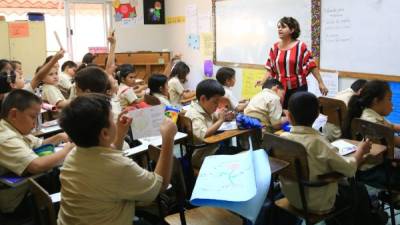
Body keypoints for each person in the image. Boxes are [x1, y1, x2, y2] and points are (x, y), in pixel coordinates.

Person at [57, 93, 177, 225]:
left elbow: (106, 157)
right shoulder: (120, 167)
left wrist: (119, 134)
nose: (115, 121)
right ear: (104, 133)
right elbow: (159, 185)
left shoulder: (73, 154)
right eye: (112, 118)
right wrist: (168, 138)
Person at [281, 91, 378, 225]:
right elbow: (349, 169)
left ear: (289, 116)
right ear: (317, 115)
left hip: (292, 196)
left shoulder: (283, 139)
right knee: (358, 188)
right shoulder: (318, 142)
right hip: (316, 203)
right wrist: (360, 151)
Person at [0, 89, 73, 215]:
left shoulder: (14, 127)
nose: (34, 124)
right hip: (18, 200)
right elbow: (36, 165)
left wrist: (59, 137)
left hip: (29, 187)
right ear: (14, 114)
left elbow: (38, 144)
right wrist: (68, 149)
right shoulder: (5, 138)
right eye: (33, 117)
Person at [256, 17, 328, 108]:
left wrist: (321, 83)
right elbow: (270, 68)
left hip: (298, 87)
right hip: (279, 89)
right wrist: (263, 81)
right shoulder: (274, 47)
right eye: (278, 27)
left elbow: (312, 66)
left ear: (292, 30)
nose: (279, 29)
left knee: (297, 113)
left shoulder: (301, 46)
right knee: (281, 113)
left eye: (283, 27)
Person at [343, 80, 400, 189]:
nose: (392, 104)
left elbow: (392, 127)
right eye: (389, 99)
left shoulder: (367, 114)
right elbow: (397, 141)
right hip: (378, 173)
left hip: (365, 169)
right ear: (376, 101)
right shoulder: (375, 124)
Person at [185, 79, 236, 168]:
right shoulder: (194, 114)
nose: (217, 105)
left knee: (236, 151)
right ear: (203, 99)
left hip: (212, 148)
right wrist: (220, 120)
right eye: (215, 102)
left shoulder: (205, 108)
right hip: (202, 155)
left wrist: (225, 117)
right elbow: (203, 134)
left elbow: (216, 115)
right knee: (236, 155)